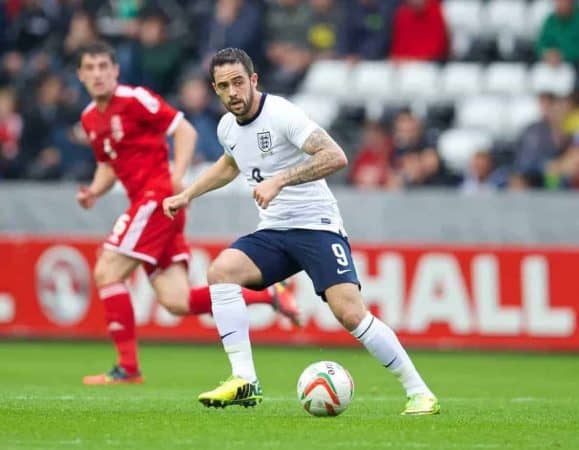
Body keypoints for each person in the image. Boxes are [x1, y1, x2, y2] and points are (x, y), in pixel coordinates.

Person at [163, 48, 440, 415]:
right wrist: (187, 194)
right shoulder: (227, 127)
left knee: (350, 314)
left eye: (238, 82)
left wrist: (281, 179)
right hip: (275, 230)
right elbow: (231, 164)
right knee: (221, 272)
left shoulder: (281, 114)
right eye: (223, 86)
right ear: (215, 89)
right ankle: (244, 379)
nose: (232, 92)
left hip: (316, 227)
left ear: (254, 80)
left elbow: (335, 156)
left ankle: (419, 392)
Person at [75, 41, 300, 385]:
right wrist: (93, 190)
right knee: (176, 301)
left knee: (107, 271)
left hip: (157, 198)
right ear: (80, 74)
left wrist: (177, 176)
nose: (97, 74)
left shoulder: (134, 99)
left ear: (115, 71)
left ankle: (127, 368)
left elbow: (184, 129)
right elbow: (108, 165)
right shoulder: (90, 118)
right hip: (153, 205)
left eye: (103, 66)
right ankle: (267, 295)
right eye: (89, 68)